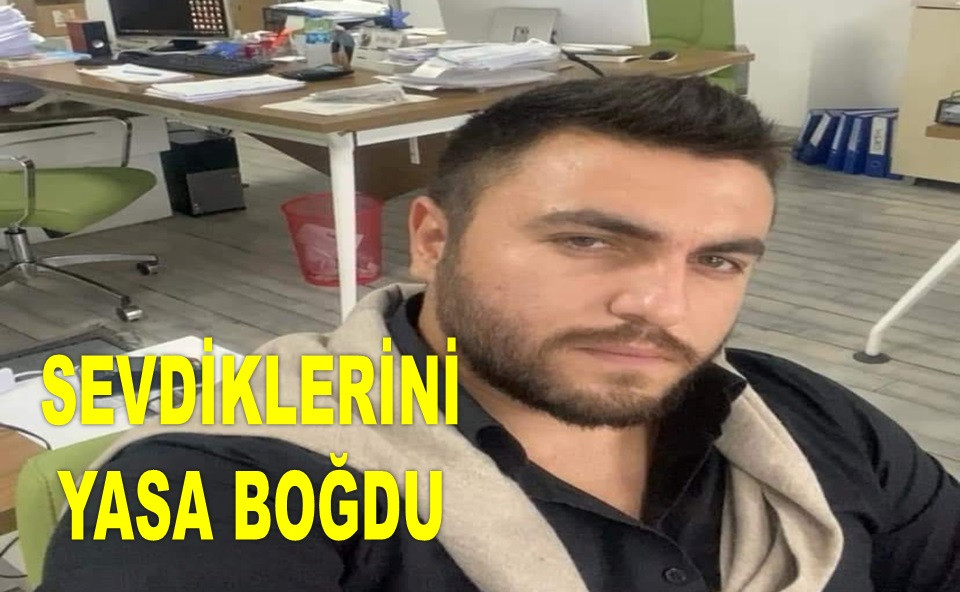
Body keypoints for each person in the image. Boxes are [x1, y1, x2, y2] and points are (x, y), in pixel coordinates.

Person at [38, 76, 959, 592]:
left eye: (716, 260)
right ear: (433, 239)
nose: (661, 306)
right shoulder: (221, 486)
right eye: (588, 241)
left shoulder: (806, 422)